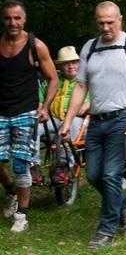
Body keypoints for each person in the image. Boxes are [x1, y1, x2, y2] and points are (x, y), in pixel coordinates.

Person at [60, 1, 126, 249]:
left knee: (111, 175)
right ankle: (125, 204)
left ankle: (105, 231)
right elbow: (80, 86)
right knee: (94, 175)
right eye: (101, 22)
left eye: (110, 22)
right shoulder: (90, 47)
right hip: (96, 121)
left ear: (120, 19)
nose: (106, 27)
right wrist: (68, 122)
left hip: (123, 119)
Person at [0, 0, 58, 232]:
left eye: (17, 18)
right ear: (2, 19)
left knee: (21, 163)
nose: (12, 23)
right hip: (1, 111)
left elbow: (53, 78)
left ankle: (22, 214)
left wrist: (44, 107)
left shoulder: (36, 46)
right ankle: (11, 191)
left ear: (24, 19)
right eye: (8, 18)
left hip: (26, 111)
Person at [31, 46, 91, 186]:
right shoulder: (52, 81)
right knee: (32, 123)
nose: (70, 67)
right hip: (53, 118)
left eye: (74, 62)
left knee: (72, 124)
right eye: (65, 63)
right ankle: (34, 165)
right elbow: (39, 99)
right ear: (58, 65)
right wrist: (41, 108)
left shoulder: (86, 80)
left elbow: (99, 98)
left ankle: (63, 166)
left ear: (79, 63)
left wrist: (87, 105)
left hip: (79, 120)